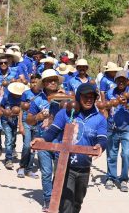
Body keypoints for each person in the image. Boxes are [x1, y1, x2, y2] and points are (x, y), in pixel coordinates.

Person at [31, 83, 107, 213]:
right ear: (78, 97)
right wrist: (42, 140)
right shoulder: (66, 113)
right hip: (65, 166)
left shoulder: (99, 118)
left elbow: (103, 138)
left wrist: (100, 146)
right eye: (85, 96)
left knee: (77, 203)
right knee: (66, 204)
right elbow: (53, 131)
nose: (89, 99)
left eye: (92, 97)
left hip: (84, 168)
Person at [26, 69, 65, 211]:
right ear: (44, 83)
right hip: (43, 141)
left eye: (55, 80)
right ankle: (48, 200)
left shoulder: (66, 97)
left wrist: (66, 100)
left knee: (60, 172)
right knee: (47, 172)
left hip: (61, 141)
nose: (53, 82)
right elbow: (29, 120)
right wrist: (38, 117)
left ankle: (57, 196)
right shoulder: (38, 100)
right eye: (49, 80)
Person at [105, 70, 129, 192]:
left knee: (126, 154)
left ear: (127, 81)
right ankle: (111, 177)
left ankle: (124, 179)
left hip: (127, 129)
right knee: (111, 154)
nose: (121, 81)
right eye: (118, 79)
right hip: (112, 128)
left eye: (123, 79)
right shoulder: (110, 93)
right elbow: (105, 108)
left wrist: (128, 106)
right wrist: (111, 105)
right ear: (115, 81)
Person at [17, 74, 42, 179]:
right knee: (27, 145)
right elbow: (21, 109)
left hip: (37, 123)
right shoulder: (26, 94)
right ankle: (22, 167)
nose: (34, 84)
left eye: (36, 82)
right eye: (32, 82)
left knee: (33, 147)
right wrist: (20, 124)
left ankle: (29, 169)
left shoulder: (43, 95)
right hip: (26, 122)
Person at [0, 82, 28, 169]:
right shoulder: (6, 97)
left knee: (13, 138)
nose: (17, 95)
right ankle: (8, 159)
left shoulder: (22, 99)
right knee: (8, 139)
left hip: (15, 121)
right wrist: (5, 112)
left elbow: (22, 110)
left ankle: (12, 149)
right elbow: (0, 106)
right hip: (6, 121)